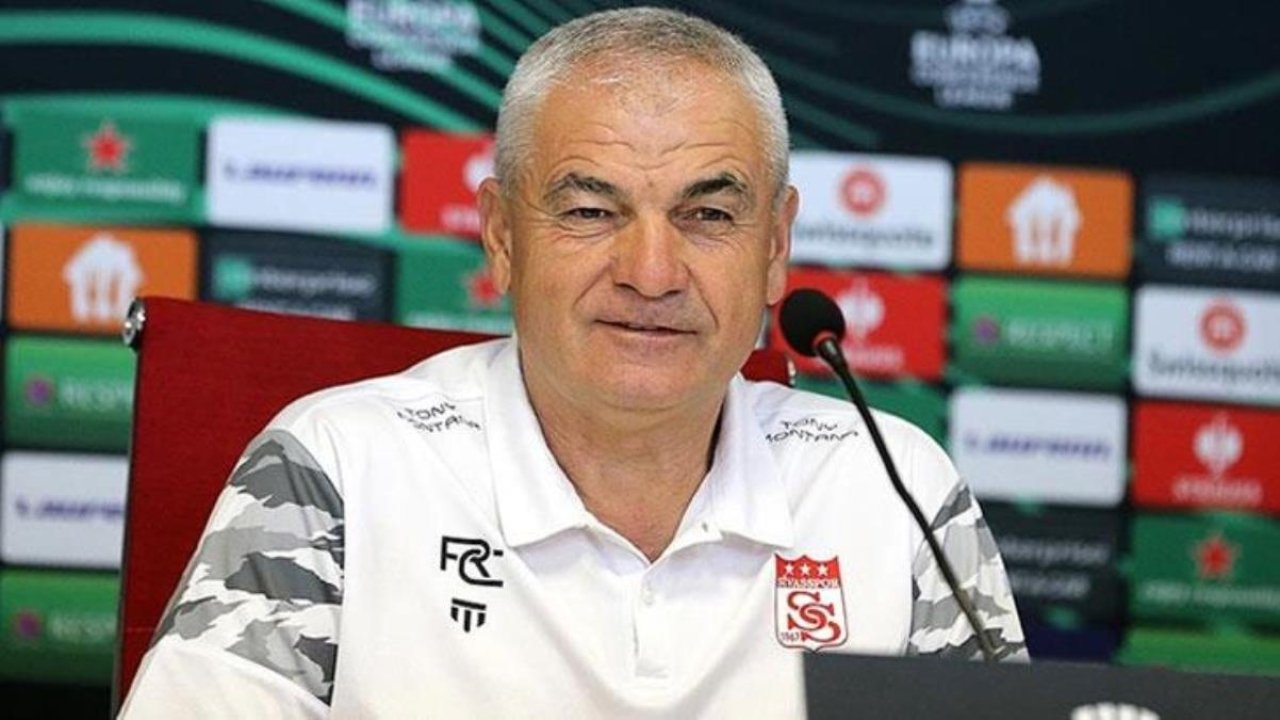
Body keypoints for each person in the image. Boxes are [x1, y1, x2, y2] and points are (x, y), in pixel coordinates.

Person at [120, 7, 1025, 718]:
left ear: (776, 248)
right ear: (502, 237)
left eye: (709, 215)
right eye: (592, 212)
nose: (652, 273)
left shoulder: (893, 486)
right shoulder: (337, 467)